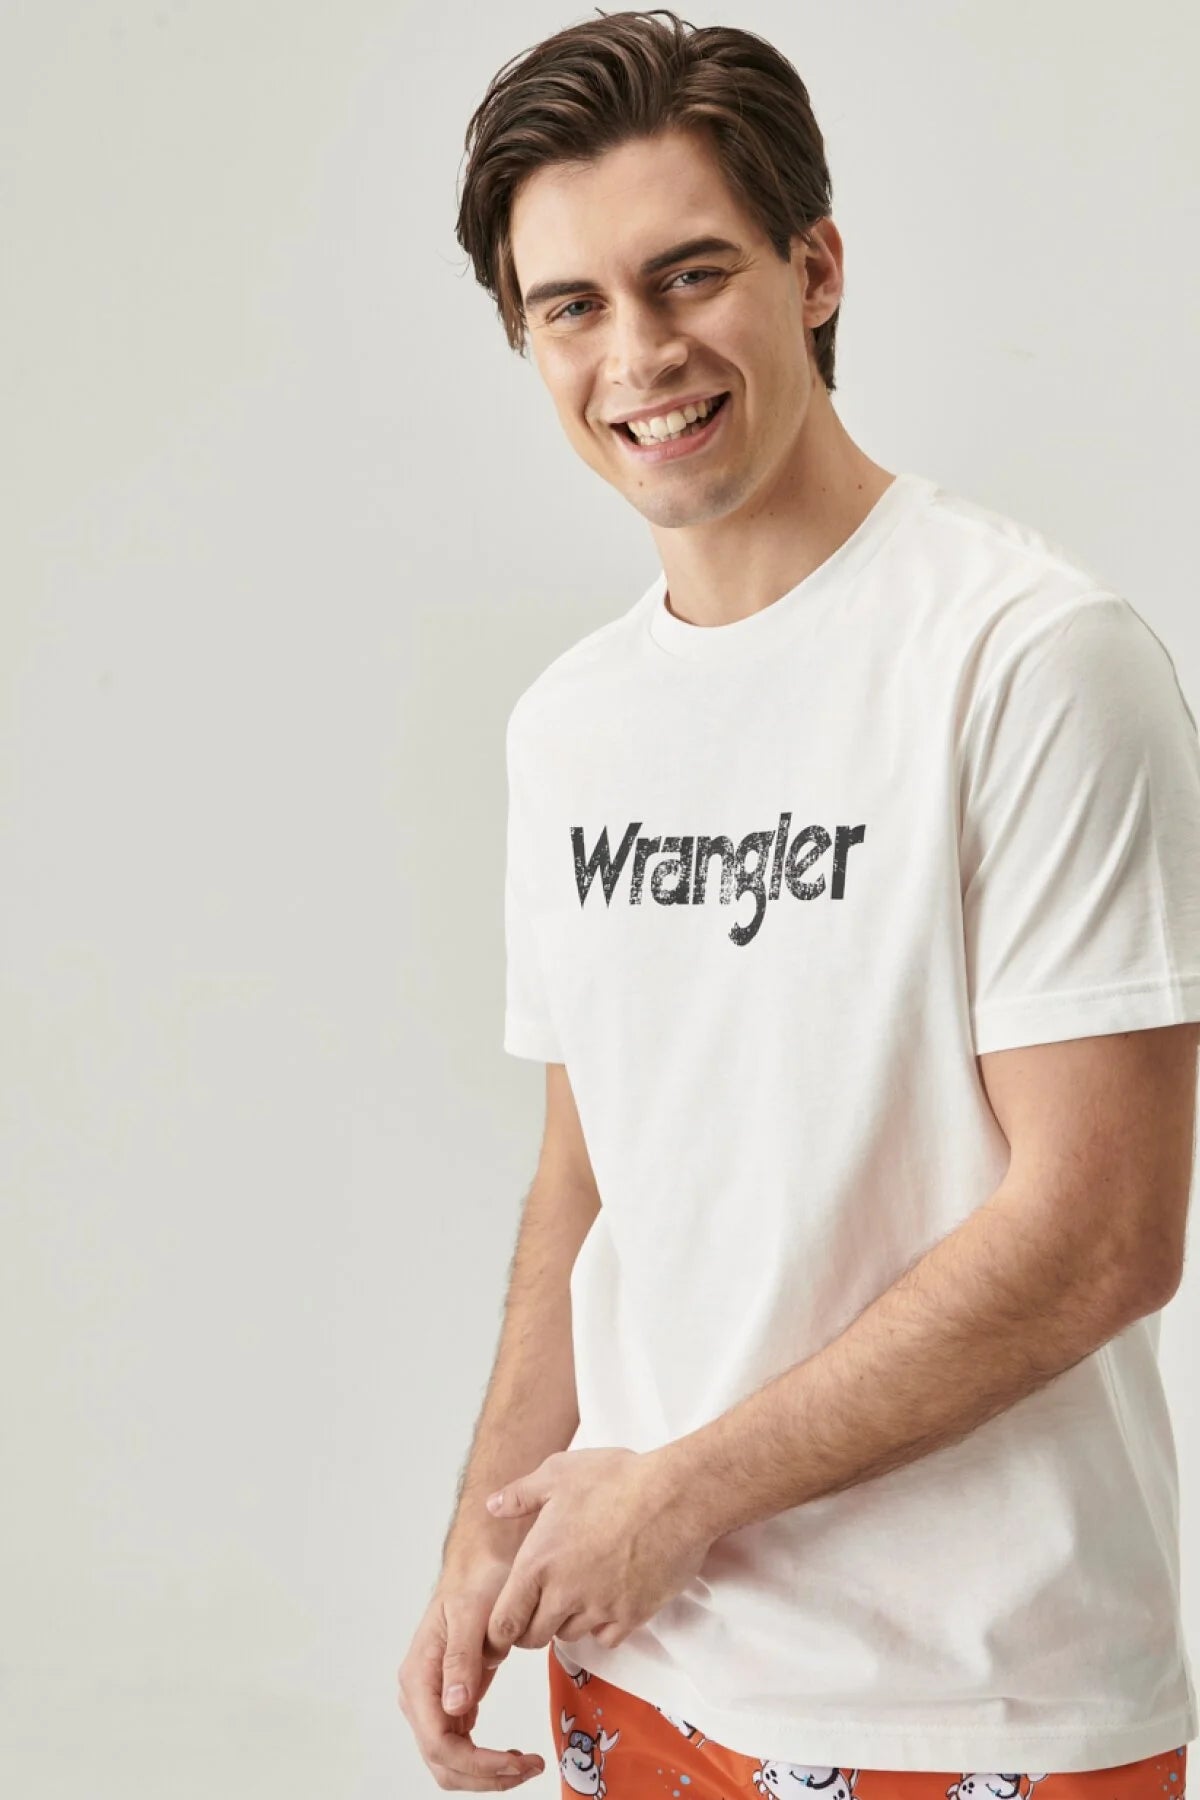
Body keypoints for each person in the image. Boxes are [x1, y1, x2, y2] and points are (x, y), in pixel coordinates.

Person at [397, 11, 1200, 1798]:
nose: (639, 355)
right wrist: (483, 1533)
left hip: (971, 1708)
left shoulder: (1027, 662)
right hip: (638, 1674)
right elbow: (587, 1178)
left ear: (815, 269)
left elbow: (1105, 1229)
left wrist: (677, 1497)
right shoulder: (571, 727)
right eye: (571, 307)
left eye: (690, 276)